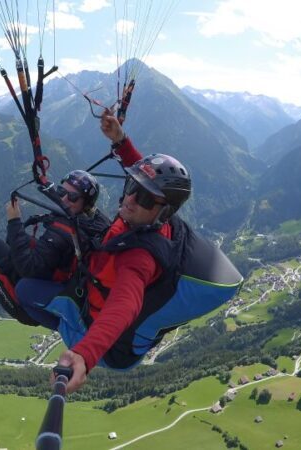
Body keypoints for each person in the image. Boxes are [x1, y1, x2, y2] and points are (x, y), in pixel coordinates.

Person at [17, 110, 194, 393]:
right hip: (95, 285)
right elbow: (143, 172)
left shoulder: (140, 258)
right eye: (132, 186)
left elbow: (125, 304)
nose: (130, 198)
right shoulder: (154, 215)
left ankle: (67, 327)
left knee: (24, 291)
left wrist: (84, 355)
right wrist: (120, 140)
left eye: (144, 197)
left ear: (163, 211)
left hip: (102, 334)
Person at [0, 169, 110, 325]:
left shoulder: (62, 233)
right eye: (61, 191)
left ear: (85, 204)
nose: (64, 199)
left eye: (73, 197)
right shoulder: (96, 223)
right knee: (13, 242)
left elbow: (28, 267)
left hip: (29, 303)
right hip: (57, 283)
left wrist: (14, 222)